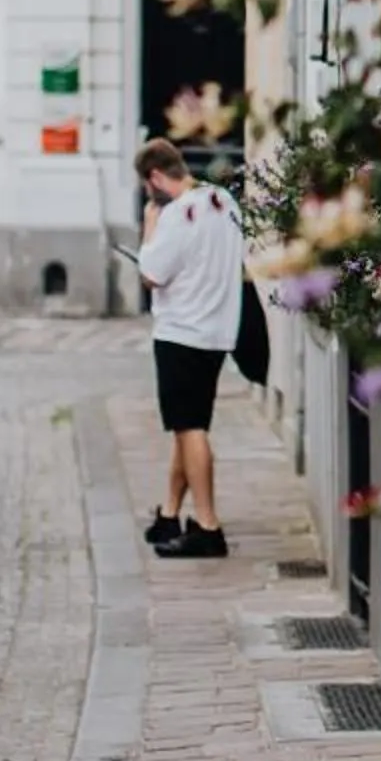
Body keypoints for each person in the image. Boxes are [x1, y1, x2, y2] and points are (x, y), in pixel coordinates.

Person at [135, 138, 244, 559]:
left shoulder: (176, 215)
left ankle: (207, 526)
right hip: (217, 329)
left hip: (182, 330)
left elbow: (151, 274)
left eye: (148, 188)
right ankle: (169, 514)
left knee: (190, 428)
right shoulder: (223, 201)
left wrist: (150, 225)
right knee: (188, 425)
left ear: (155, 178)